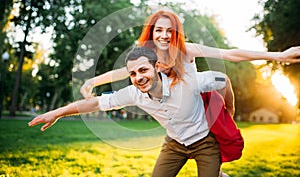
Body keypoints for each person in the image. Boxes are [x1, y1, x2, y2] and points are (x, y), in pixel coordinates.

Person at [29, 47, 234, 177]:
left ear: (157, 68)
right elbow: (94, 104)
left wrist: (229, 111)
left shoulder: (185, 82)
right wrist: (56, 113)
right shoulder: (134, 93)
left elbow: (222, 80)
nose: (138, 77)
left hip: (205, 142)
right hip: (174, 144)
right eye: (133, 73)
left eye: (143, 70)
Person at [80, 10, 300, 99]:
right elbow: (121, 72)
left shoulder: (187, 50)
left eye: (169, 30)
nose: (164, 35)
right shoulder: (147, 56)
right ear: (151, 32)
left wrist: (278, 56)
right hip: (176, 112)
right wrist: (92, 81)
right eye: (159, 30)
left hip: (199, 103)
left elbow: (230, 54)